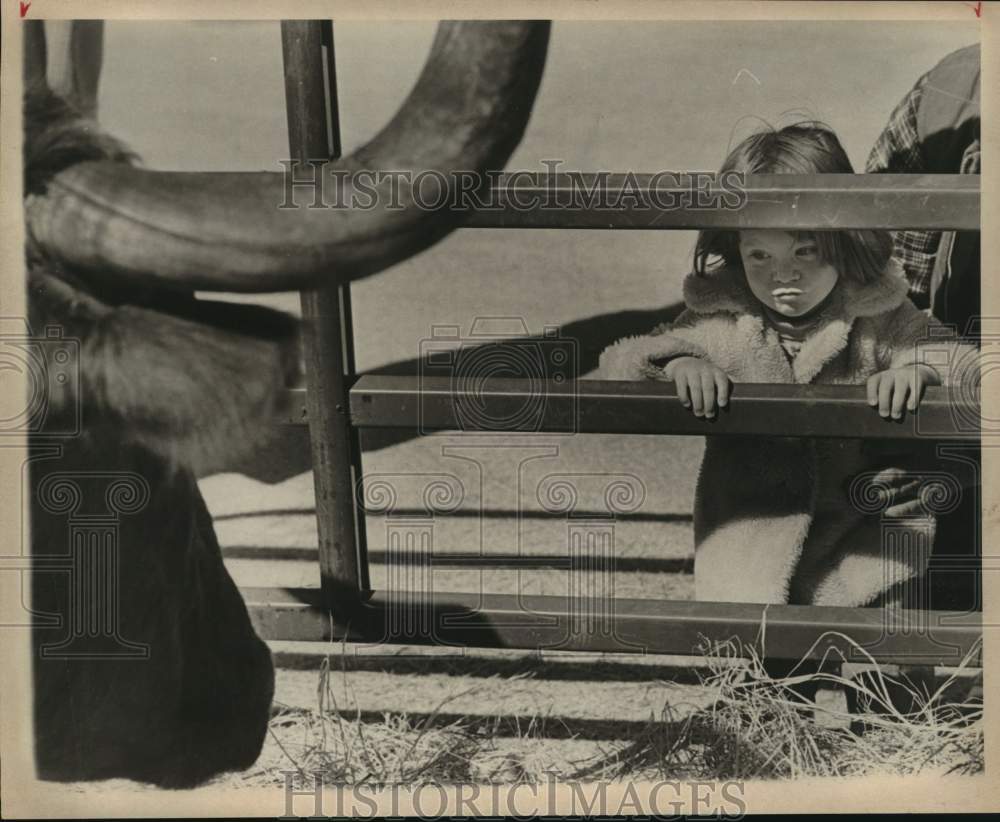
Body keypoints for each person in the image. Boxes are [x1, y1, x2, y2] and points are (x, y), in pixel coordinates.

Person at [596, 123, 974, 608]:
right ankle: (768, 676)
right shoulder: (723, 319)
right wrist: (679, 363)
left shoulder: (879, 313)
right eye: (760, 254)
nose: (783, 273)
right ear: (735, 249)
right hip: (749, 549)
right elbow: (624, 363)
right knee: (760, 665)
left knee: (887, 667)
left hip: (868, 546)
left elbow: (965, 363)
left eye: (805, 249)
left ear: (842, 240)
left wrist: (920, 370)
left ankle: (883, 677)